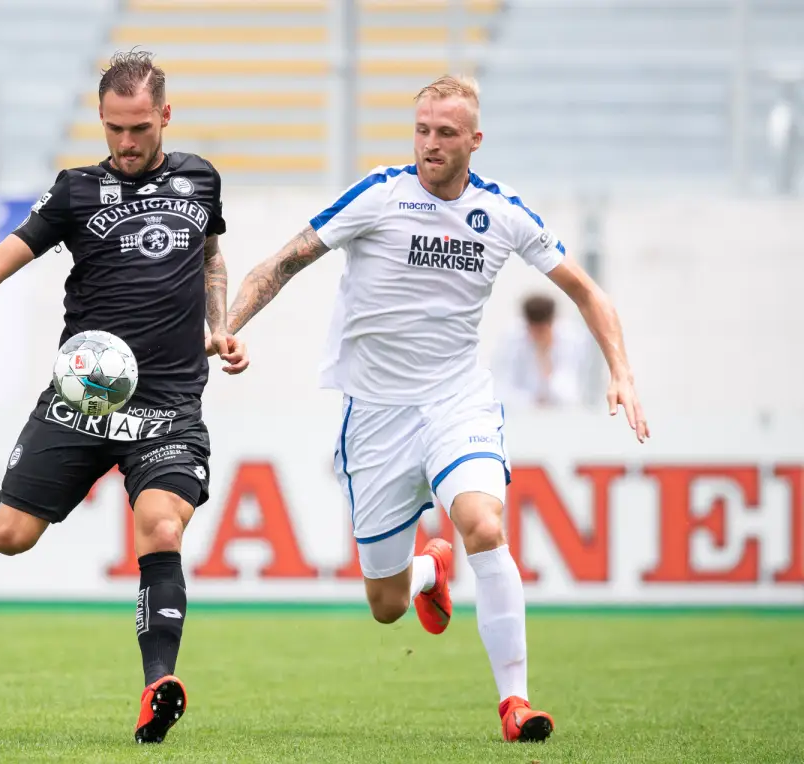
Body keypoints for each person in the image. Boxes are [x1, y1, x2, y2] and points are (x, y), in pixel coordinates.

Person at [222, 74, 648, 743]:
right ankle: (429, 571)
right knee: (386, 604)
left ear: (475, 140)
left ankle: (516, 703)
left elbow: (588, 292)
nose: (430, 144)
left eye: (446, 133)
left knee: (483, 523)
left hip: (457, 401)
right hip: (376, 416)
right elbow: (280, 264)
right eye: (422, 130)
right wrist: (227, 327)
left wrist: (620, 370)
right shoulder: (379, 196)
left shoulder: (502, 213)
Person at [0, 51, 248, 744]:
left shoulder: (201, 179)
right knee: (11, 538)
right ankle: (2, 509)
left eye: (140, 127)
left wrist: (219, 326)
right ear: (101, 120)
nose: (127, 142)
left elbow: (210, 256)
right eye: (114, 128)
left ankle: (157, 686)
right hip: (84, 399)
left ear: (165, 116)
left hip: (169, 406)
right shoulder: (76, 191)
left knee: (161, 528)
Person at [491, 293, 593, 407]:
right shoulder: (511, 339)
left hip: (561, 412)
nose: (537, 335)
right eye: (534, 330)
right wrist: (532, 401)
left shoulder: (572, 339)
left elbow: (570, 393)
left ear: (551, 323)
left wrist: (545, 357)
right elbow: (502, 389)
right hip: (522, 412)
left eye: (542, 330)